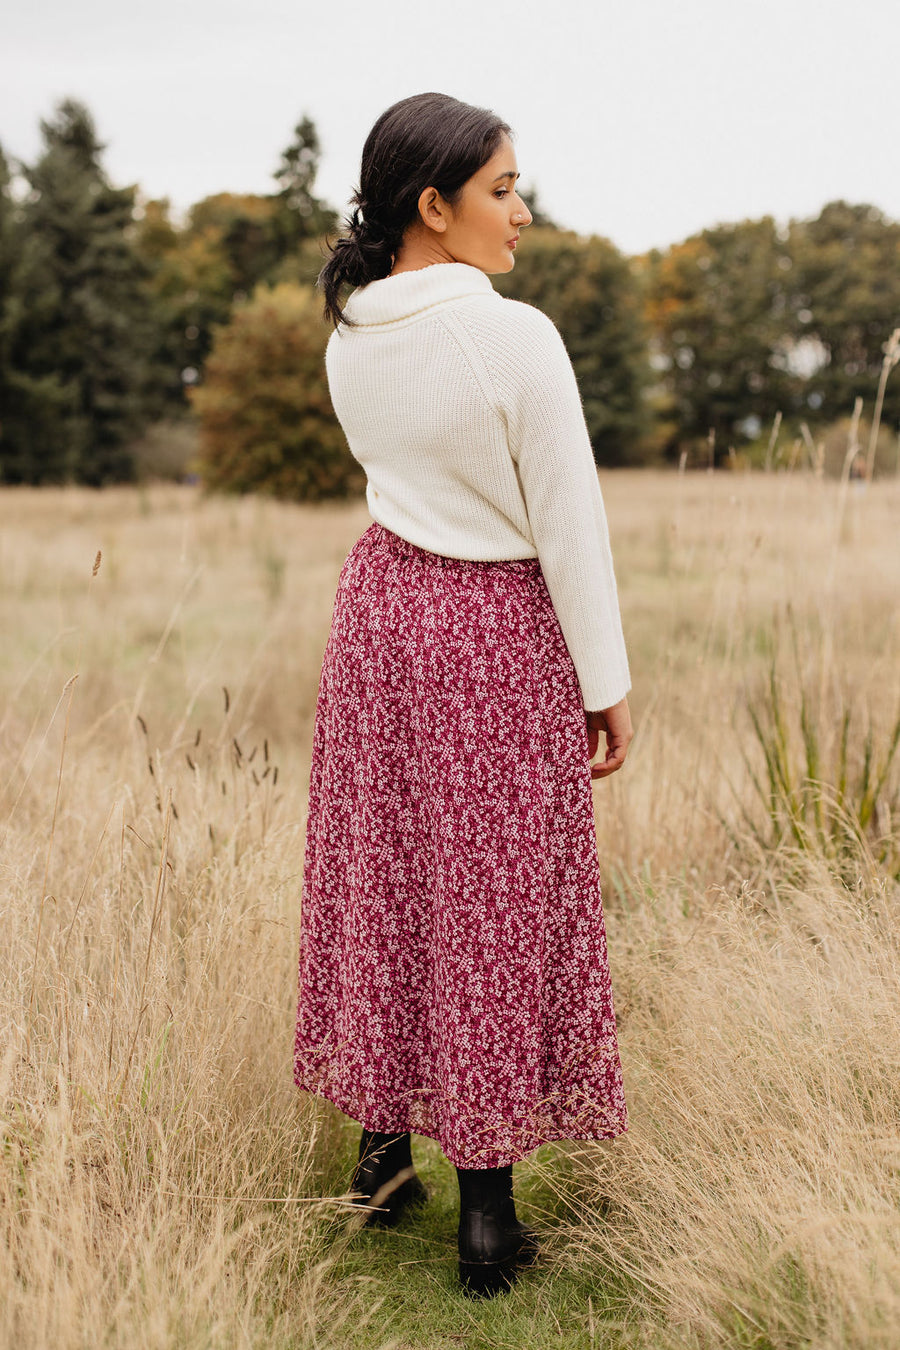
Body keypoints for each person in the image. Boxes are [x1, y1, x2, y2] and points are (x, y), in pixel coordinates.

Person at [293, 91, 634, 1300]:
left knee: (383, 873)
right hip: (491, 626)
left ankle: (381, 1158)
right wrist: (607, 682)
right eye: (501, 189)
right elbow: (568, 523)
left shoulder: (350, 334)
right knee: (490, 894)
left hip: (381, 614)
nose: (523, 212)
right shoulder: (514, 336)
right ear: (431, 207)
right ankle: (486, 1217)